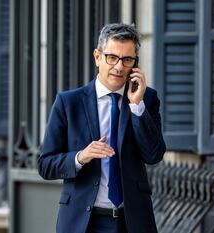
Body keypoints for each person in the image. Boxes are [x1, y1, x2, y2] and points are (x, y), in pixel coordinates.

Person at [38, 23, 166, 233]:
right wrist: (80, 157)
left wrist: (137, 106)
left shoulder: (147, 99)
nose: (118, 67)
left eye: (127, 60)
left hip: (132, 222)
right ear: (97, 57)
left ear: (135, 64)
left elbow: (153, 155)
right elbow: (45, 165)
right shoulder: (69, 102)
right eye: (112, 57)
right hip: (84, 222)